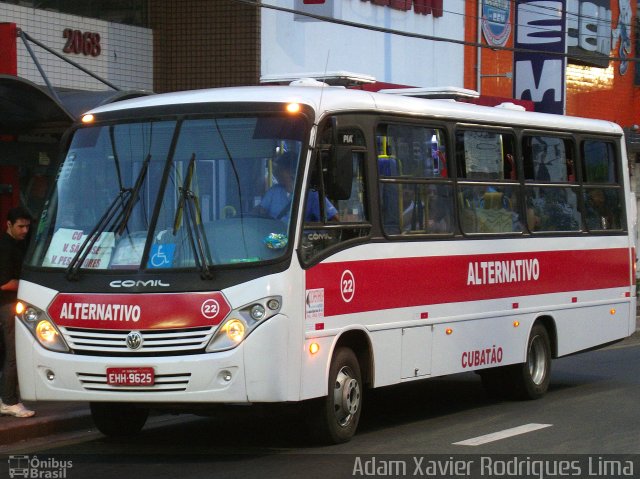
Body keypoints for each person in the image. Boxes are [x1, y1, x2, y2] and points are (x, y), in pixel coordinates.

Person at [0, 206, 35, 418]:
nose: (24, 231)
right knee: (14, 353)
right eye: (20, 226)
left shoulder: (21, 244)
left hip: (13, 304)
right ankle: (9, 401)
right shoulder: (5, 247)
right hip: (8, 305)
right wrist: (30, 286)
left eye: (27, 227)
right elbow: (4, 283)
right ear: (9, 225)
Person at [256, 153, 338, 222]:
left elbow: (334, 220)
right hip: (274, 239)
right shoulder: (274, 191)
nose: (276, 172)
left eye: (280, 169)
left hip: (299, 239)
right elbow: (259, 211)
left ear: (291, 171)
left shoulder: (313, 195)